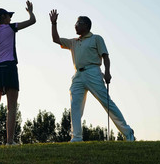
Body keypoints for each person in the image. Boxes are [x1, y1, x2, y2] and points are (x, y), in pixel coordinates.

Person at [49, 9, 135, 142]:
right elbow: (56, 39)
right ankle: (76, 137)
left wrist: (107, 73)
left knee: (107, 103)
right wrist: (54, 23)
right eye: (76, 23)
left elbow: (105, 56)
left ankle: (128, 133)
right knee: (75, 106)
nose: (75, 25)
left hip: (93, 72)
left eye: (78, 23)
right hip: (78, 75)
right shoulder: (74, 42)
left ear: (87, 26)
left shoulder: (96, 38)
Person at [0, 1, 36, 147]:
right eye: (9, 16)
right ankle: (9, 141)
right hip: (9, 67)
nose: (10, 19)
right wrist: (30, 11)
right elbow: (32, 21)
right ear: (3, 17)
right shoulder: (11, 27)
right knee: (12, 107)